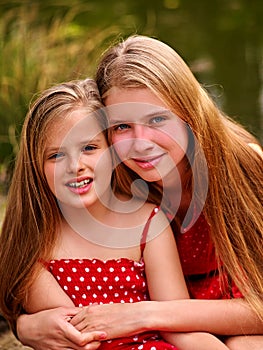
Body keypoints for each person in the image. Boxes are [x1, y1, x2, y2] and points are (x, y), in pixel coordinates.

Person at [5, 35, 263, 349]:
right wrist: (27, 325)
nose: (140, 143)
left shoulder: (245, 169)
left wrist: (144, 314)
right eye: (121, 126)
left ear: (189, 113)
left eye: (157, 119)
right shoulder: (114, 176)